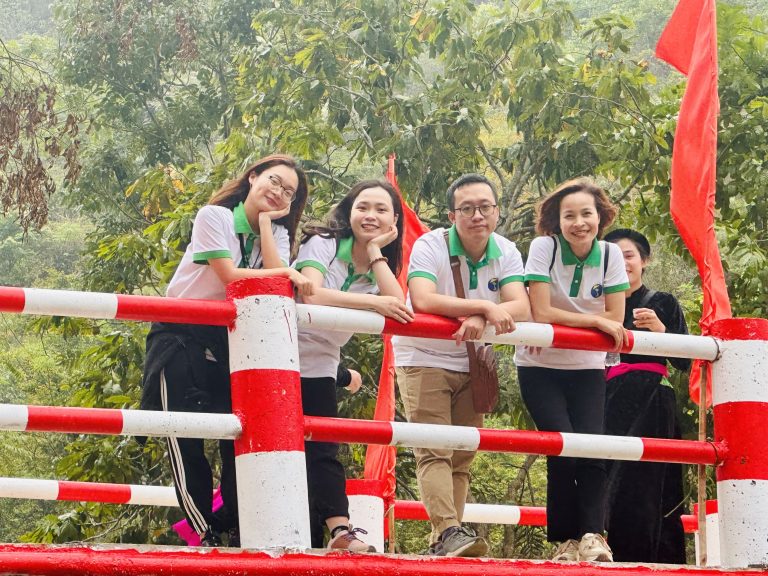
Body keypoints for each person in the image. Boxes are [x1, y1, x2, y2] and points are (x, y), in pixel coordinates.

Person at [140, 154, 313, 547]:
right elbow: (230, 276)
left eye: (288, 191)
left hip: (228, 340)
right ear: (252, 177)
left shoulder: (278, 233)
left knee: (236, 438)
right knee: (184, 438)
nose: (278, 191)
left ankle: (233, 527)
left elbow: (274, 285)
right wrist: (285, 271)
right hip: (179, 334)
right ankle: (204, 533)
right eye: (273, 180)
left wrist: (269, 224)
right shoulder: (214, 217)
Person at [392, 173, 530, 557]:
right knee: (434, 449)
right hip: (424, 357)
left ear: (497, 212)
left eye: (484, 207)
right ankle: (449, 529)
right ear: (452, 215)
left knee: (463, 452)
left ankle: (445, 539)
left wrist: (483, 320)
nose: (476, 215)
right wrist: (483, 306)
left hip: (473, 360)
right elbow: (422, 299)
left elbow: (521, 305)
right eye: (467, 208)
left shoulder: (505, 250)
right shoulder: (429, 245)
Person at [294, 179, 414, 552]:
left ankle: (340, 532)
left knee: (324, 447)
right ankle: (223, 524)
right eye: (363, 207)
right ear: (349, 212)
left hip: (321, 363)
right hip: (280, 351)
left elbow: (401, 306)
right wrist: (373, 304)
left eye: (381, 210)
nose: (371, 216)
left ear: (394, 219)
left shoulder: (379, 264)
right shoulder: (325, 243)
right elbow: (310, 291)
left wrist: (377, 251)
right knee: (263, 444)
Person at [514, 177, 629, 562]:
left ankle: (593, 535)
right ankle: (563, 539)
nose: (579, 222)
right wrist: (594, 322)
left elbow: (617, 315)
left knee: (593, 448)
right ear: (556, 220)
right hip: (539, 364)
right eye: (569, 216)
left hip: (587, 367)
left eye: (586, 214)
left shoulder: (611, 254)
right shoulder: (544, 247)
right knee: (561, 446)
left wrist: (601, 321)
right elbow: (542, 311)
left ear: (600, 217)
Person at [602, 228, 689, 563]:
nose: (622, 263)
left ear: (644, 261)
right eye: (612, 256)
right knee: (608, 486)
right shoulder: (597, 303)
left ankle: (655, 562)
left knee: (650, 488)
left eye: (628, 255)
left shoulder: (662, 302)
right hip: (606, 399)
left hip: (651, 400)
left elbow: (685, 361)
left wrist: (661, 332)